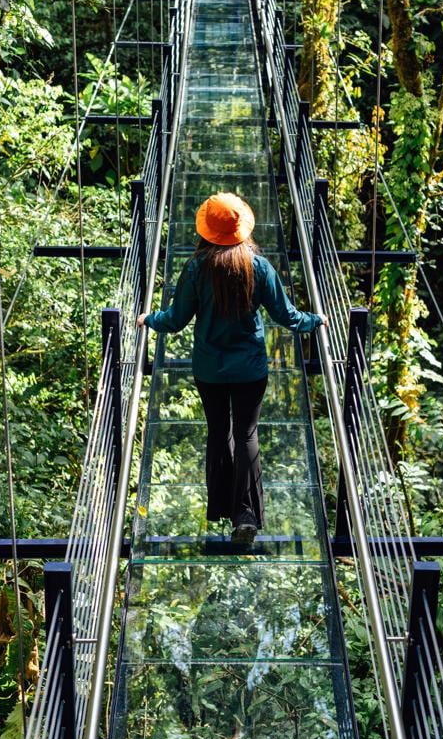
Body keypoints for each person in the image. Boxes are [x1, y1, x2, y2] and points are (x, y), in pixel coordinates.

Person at [138, 193, 327, 546]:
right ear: (243, 228)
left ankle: (221, 506)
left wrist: (149, 319)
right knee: (246, 434)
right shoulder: (258, 266)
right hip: (250, 369)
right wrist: (315, 321)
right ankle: (246, 515)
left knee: (218, 431)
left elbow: (176, 320)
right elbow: (286, 316)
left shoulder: (196, 268)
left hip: (209, 369)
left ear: (206, 231)